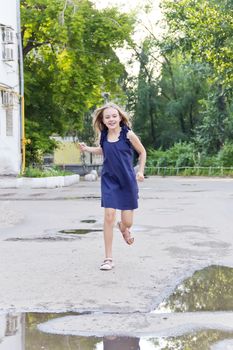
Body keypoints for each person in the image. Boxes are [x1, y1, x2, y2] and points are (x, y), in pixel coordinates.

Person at [79, 103, 146, 270]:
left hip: (128, 181)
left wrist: (141, 171)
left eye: (114, 116)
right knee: (109, 216)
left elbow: (142, 152)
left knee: (127, 222)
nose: (111, 119)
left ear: (120, 118)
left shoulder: (128, 135)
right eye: (107, 117)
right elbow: (103, 150)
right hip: (109, 180)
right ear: (103, 119)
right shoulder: (103, 135)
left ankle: (123, 229)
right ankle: (108, 258)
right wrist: (87, 148)